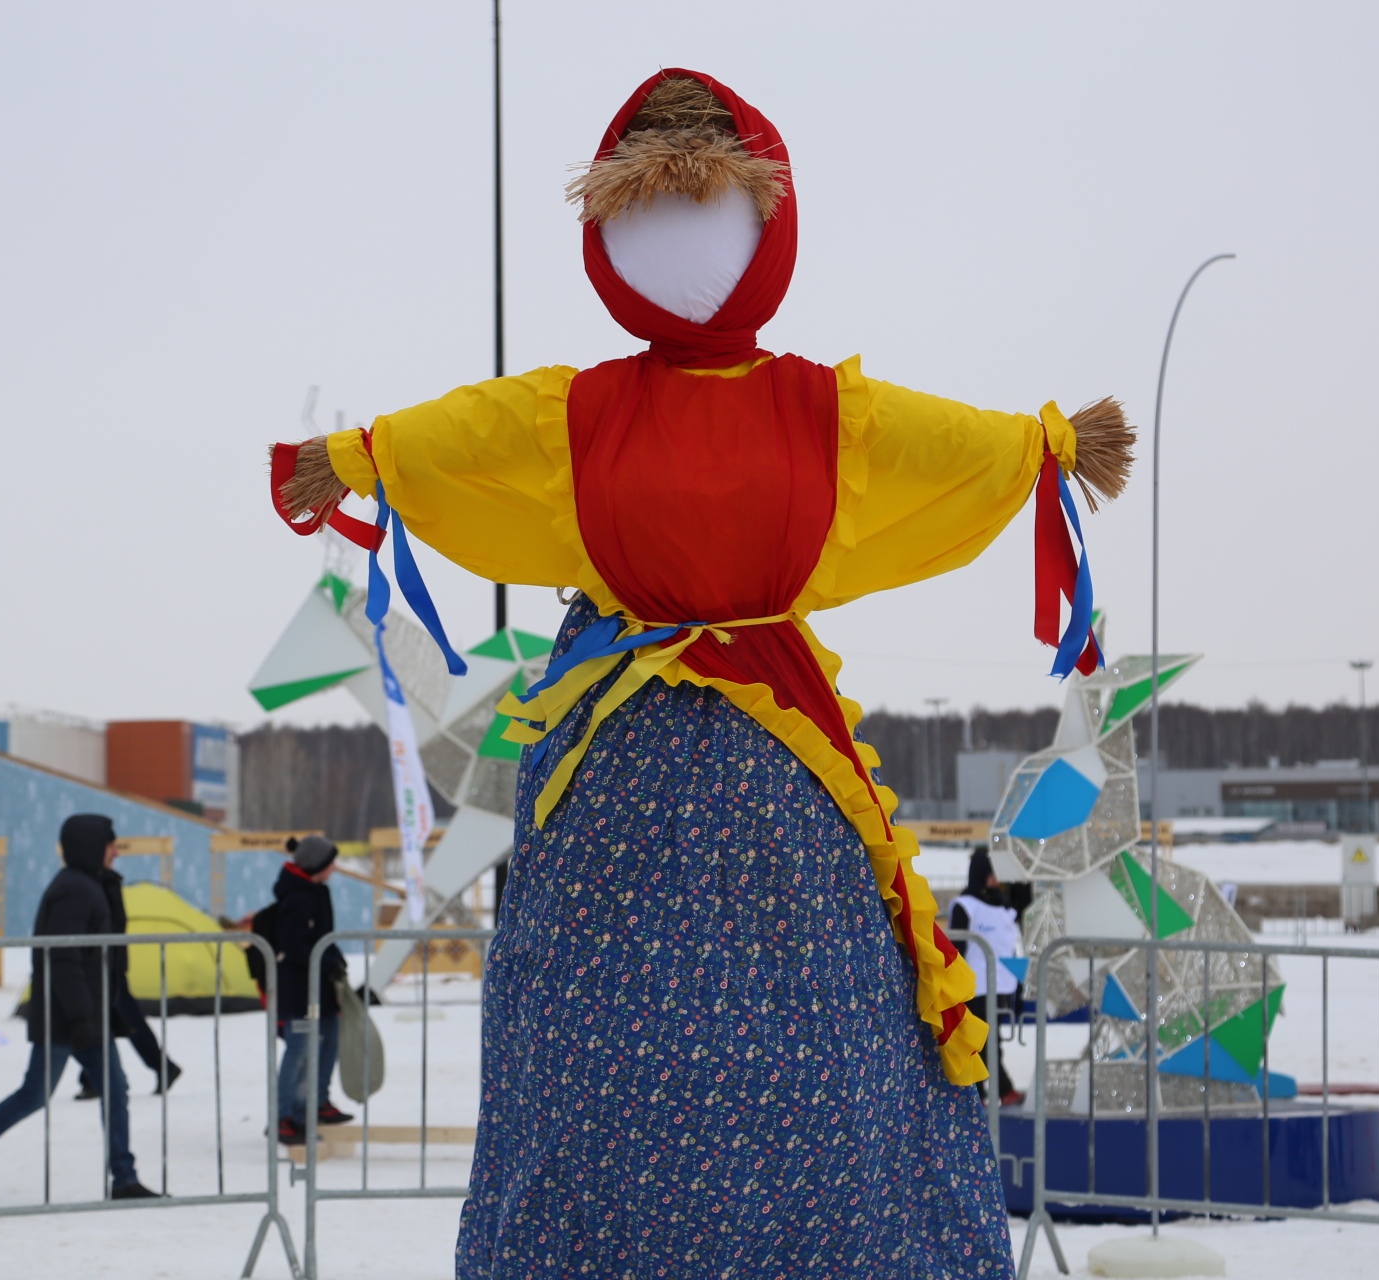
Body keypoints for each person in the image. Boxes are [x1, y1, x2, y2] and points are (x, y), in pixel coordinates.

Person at [268, 69, 1129, 1278]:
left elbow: (464, 437)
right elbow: (461, 439)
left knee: (746, 1010)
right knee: (690, 1016)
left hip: (693, 755)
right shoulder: (708, 414)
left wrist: (351, 459)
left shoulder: (692, 413)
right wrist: (358, 457)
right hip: (695, 754)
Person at [0, 814, 158, 1201]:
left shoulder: (89, 885)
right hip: (67, 1018)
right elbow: (63, 959)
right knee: (33, 1096)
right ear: (92, 848)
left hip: (86, 1014)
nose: (117, 853)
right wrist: (80, 1016)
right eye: (111, 846)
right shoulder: (73, 890)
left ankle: (124, 1177)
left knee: (114, 1090)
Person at [73, 855, 182, 1101]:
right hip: (105, 963)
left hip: (106, 965)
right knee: (110, 1018)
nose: (114, 854)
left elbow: (110, 926)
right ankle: (94, 1077)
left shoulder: (105, 882)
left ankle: (158, 1066)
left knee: (122, 1017)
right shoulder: (101, 881)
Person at [271, 834, 351, 1144]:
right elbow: (293, 946)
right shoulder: (297, 898)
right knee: (300, 1050)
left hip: (321, 983)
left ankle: (316, 1103)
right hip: (300, 988)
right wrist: (325, 960)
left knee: (329, 1038)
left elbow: (322, 936)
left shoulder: (316, 892)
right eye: (330, 863)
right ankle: (286, 1114)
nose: (333, 868)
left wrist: (334, 959)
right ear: (316, 865)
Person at [950, 849, 1024, 1105]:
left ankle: (979, 1095)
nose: (996, 881)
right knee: (983, 1040)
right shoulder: (966, 906)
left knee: (987, 1040)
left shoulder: (1004, 908)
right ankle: (1001, 1091)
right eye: (992, 875)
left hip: (999, 986)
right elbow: (957, 947)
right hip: (975, 986)